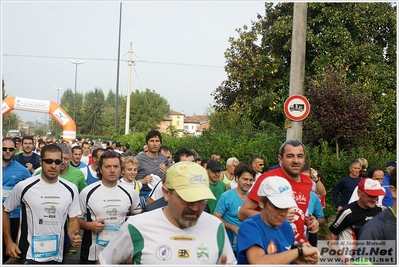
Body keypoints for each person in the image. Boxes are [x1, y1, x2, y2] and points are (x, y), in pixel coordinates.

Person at [98, 161, 236, 264]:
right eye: (186, 199)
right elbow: (104, 262)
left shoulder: (215, 226)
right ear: (166, 193)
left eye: (201, 200)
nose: (194, 208)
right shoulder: (137, 226)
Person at [2, 144, 82, 264]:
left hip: (56, 256)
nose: (53, 166)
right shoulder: (24, 186)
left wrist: (72, 236)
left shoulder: (71, 189)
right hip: (28, 256)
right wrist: (8, 241)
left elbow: (73, 219)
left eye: (57, 161)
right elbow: (5, 210)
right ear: (41, 162)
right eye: (49, 161)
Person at [238, 139, 317, 243]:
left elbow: (297, 215)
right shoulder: (268, 179)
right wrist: (277, 216)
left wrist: (308, 222)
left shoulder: (307, 182)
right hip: (272, 246)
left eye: (300, 156)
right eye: (290, 156)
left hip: (298, 246)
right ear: (280, 159)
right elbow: (242, 214)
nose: (296, 160)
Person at [236, 176, 320, 264]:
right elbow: (258, 262)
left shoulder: (286, 226)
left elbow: (290, 259)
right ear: (261, 202)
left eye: (286, 206)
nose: (283, 213)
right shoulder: (250, 227)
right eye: (277, 207)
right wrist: (299, 251)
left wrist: (302, 258)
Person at [78, 150, 142, 264]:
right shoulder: (87, 192)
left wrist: (133, 251)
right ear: (101, 169)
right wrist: (89, 225)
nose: (112, 170)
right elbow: (76, 220)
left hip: (120, 254)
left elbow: (139, 221)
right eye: (108, 167)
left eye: (116, 166)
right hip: (92, 255)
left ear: (120, 169)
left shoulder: (130, 192)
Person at [326, 178, 385, 263]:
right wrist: (344, 259)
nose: (375, 199)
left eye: (377, 196)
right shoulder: (348, 212)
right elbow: (330, 238)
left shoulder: (379, 212)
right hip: (351, 260)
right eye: (371, 195)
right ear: (359, 193)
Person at [354, 168, 396, 265]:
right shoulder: (374, 228)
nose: (375, 199)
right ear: (394, 191)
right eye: (377, 179)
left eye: (382, 179)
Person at [214, 162, 255, 255]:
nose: (248, 183)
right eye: (245, 179)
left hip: (247, 245)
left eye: (251, 180)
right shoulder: (226, 197)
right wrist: (232, 227)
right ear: (237, 178)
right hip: (229, 247)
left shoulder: (253, 199)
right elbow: (216, 217)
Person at [2, 137, 31, 264]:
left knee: (7, 251)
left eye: (10, 149)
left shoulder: (23, 171)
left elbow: (30, 192)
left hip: (13, 216)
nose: (7, 151)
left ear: (16, 149)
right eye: (4, 149)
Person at [135, 130, 168, 198]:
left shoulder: (164, 159)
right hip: (142, 195)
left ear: (160, 143)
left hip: (160, 196)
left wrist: (166, 171)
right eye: (152, 141)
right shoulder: (137, 159)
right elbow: (127, 181)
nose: (155, 144)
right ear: (147, 143)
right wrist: (142, 181)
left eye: (157, 141)